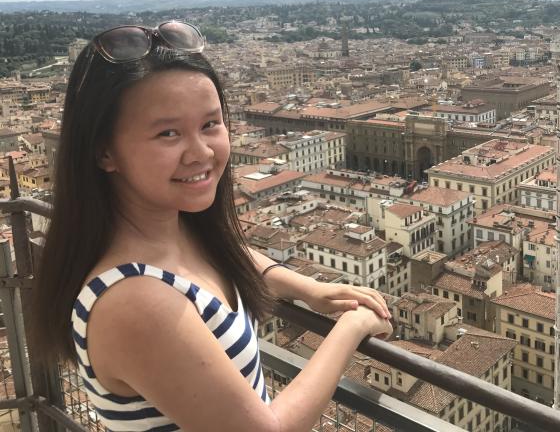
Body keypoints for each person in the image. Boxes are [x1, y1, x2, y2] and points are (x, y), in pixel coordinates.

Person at [30, 22, 394, 431]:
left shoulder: (173, 231)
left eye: (210, 125)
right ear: (104, 151)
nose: (201, 152)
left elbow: (221, 258)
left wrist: (306, 288)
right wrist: (352, 326)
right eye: (168, 133)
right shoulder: (134, 303)